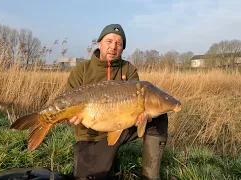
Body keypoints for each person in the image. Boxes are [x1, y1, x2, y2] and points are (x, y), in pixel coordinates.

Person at [65, 24, 169, 180]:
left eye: (119, 43)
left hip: (123, 126)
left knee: (159, 115)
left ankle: (150, 176)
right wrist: (70, 117)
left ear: (122, 48)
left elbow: (140, 103)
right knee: (90, 177)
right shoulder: (82, 69)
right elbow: (67, 102)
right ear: (99, 43)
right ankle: (103, 156)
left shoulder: (129, 70)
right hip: (91, 134)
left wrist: (143, 116)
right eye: (109, 41)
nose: (113, 47)